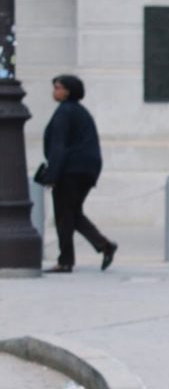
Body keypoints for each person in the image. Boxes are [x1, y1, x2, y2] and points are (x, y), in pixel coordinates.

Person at [38, 75, 117, 274]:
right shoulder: (79, 112)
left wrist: (52, 175)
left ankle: (65, 261)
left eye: (58, 87)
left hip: (71, 171)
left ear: (68, 91)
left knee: (64, 215)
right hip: (86, 169)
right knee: (73, 213)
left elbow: (59, 147)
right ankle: (104, 245)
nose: (54, 91)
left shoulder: (64, 112)